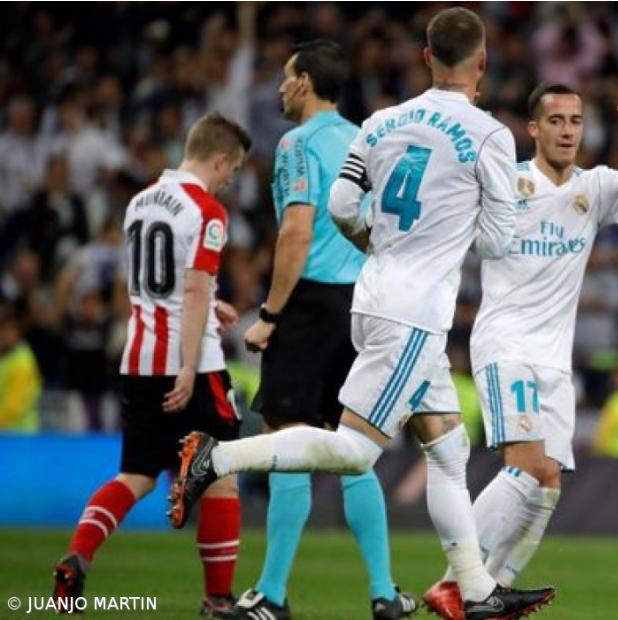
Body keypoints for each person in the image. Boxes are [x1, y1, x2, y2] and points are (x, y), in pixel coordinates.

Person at [170, 8, 555, 619]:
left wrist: (380, 243)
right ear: (482, 62)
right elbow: (500, 241)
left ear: (426, 58)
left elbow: (343, 204)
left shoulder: (380, 122)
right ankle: (216, 457)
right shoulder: (490, 136)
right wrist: (451, 234)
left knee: (448, 449)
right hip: (415, 314)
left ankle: (475, 591)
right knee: (353, 451)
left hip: (374, 297)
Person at [422, 70, 618, 617]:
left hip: (555, 362)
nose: (567, 130)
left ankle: (488, 592)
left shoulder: (595, 187)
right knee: (529, 467)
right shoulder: (505, 185)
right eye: (556, 121)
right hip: (506, 346)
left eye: (576, 121)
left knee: (549, 483)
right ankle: (458, 582)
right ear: (534, 129)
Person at [219, 40, 415, 620]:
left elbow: (297, 231)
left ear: (304, 82)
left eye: (286, 77)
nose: (280, 88)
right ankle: (384, 592)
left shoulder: (297, 143)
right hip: (363, 304)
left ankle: (271, 594)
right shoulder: (366, 139)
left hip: (310, 304)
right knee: (351, 451)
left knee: (286, 440)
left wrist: (270, 315)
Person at [52, 112, 251, 616]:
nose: (230, 182)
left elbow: (151, 284)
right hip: (193, 367)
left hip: (138, 360)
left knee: (136, 476)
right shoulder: (207, 211)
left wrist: (211, 304)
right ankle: (218, 598)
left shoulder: (139, 203)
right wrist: (188, 364)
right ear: (219, 160)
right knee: (221, 477)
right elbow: (193, 287)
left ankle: (78, 554)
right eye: (232, 171)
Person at [0, 301, 42, 432]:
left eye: (10, 330)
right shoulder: (5, 356)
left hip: (20, 432)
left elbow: (13, 405)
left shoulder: (23, 361)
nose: (5, 335)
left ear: (19, 333)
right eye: (2, 330)